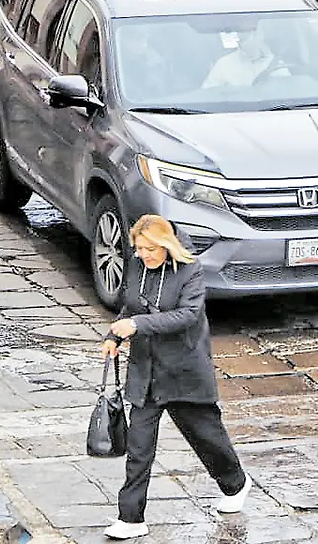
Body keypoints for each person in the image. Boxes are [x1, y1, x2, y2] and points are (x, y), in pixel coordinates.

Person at [99, 215, 251, 541]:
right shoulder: (137, 264)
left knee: (207, 437)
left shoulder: (190, 271)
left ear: (166, 246)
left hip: (184, 372)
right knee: (139, 448)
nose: (143, 255)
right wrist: (114, 335)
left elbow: (188, 315)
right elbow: (130, 307)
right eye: (138, 249)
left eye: (149, 249)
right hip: (146, 372)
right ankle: (131, 517)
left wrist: (138, 326)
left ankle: (235, 482)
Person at [201, 26, 280, 89]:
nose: (251, 36)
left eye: (254, 32)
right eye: (245, 32)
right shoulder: (224, 64)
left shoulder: (277, 65)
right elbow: (207, 94)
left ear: (261, 35)